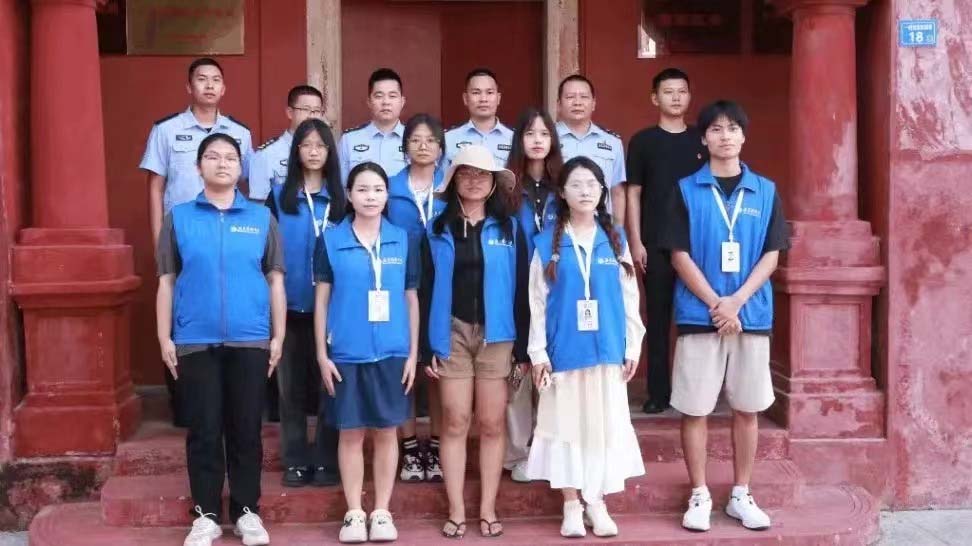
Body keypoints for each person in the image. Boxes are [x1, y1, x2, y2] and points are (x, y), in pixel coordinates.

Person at [658, 100, 789, 532]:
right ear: (704, 138)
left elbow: (772, 254)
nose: (725, 135)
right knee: (695, 409)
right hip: (700, 315)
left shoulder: (765, 191)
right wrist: (718, 303)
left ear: (744, 136)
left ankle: (740, 493)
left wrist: (736, 303)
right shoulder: (684, 190)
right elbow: (678, 254)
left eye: (733, 128)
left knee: (747, 408)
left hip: (750, 315)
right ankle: (699, 494)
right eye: (716, 129)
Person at [155, 133, 283, 546]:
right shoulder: (179, 217)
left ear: (241, 167)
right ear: (198, 167)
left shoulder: (262, 218)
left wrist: (278, 335)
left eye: (230, 157)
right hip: (195, 339)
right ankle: (206, 514)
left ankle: (247, 511)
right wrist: (164, 336)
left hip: (250, 339)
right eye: (213, 157)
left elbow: (275, 280)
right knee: (204, 429)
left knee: (246, 428)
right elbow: (166, 280)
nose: (222, 163)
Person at [526, 156, 646, 538]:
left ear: (602, 191)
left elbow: (630, 297)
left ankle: (596, 500)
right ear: (562, 193)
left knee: (601, 427)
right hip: (564, 351)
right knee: (567, 428)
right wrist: (538, 354)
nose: (585, 191)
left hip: (607, 348)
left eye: (592, 184)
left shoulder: (616, 239)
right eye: (576, 184)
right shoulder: (546, 243)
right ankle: (571, 504)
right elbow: (537, 303)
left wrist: (632, 346)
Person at [141, 57, 253, 427]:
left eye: (215, 80)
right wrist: (159, 238)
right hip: (181, 235)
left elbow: (248, 186)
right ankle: (184, 403)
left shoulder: (239, 133)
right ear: (189, 87)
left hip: (226, 236)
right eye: (201, 79)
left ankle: (227, 403)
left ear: (224, 88)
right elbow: (156, 187)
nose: (209, 85)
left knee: (225, 306)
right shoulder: (167, 130)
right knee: (178, 313)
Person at [426, 145, 529, 538]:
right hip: (451, 331)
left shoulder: (510, 229)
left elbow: (522, 288)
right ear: (453, 180)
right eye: (466, 173)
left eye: (482, 174)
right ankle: (456, 509)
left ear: (493, 184)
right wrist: (426, 345)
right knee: (455, 420)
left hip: (497, 333)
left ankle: (487, 507)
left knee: (491, 422)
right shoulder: (436, 229)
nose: (474, 180)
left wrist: (522, 346)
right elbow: (424, 288)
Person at [314, 162, 419, 543]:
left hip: (392, 352)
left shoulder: (403, 239)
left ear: (387, 195)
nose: (370, 196)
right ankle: (354, 513)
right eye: (362, 189)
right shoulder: (330, 240)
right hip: (346, 353)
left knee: (387, 431)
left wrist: (413, 353)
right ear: (349, 194)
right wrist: (322, 354)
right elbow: (322, 301)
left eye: (377, 189)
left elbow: (411, 298)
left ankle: (382, 511)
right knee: (351, 433)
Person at [265, 118, 346, 488]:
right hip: (291, 307)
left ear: (330, 152)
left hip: (334, 310)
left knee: (331, 386)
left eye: (320, 145)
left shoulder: (343, 201)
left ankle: (327, 459)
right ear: (295, 151)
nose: (313, 152)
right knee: (290, 389)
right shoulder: (279, 199)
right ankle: (296, 459)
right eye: (306, 145)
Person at [626, 68, 709, 415]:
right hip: (655, 242)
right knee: (658, 319)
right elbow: (633, 194)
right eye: (668, 91)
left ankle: (700, 392)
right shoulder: (643, 142)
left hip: (697, 244)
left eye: (682, 91)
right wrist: (635, 241)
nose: (676, 97)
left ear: (689, 96)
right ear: (654, 98)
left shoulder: (702, 139)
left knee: (699, 318)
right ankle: (659, 392)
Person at [502, 107, 564, 483]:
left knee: (552, 373)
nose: (537, 140)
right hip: (514, 291)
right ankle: (517, 453)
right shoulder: (507, 188)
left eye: (544, 134)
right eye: (529, 134)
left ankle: (549, 451)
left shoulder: (566, 185)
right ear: (519, 141)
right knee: (519, 372)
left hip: (556, 294)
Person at [385, 114, 448, 482]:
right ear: (405, 146)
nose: (423, 146)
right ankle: (409, 448)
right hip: (398, 286)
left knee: (438, 368)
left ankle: (437, 446)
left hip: (444, 287)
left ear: (441, 147)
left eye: (430, 140)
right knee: (403, 368)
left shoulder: (453, 184)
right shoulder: (389, 187)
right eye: (415, 139)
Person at [555, 74, 626, 221]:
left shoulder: (612, 142)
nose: (577, 102)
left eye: (584, 97)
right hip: (557, 224)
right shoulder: (547, 139)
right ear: (559, 104)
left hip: (601, 225)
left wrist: (618, 229)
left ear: (593, 104)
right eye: (570, 97)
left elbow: (617, 191)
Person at [249, 85, 326, 201]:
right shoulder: (265, 155)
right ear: (290, 112)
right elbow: (260, 205)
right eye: (305, 109)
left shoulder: (326, 151)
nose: (311, 116)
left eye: (316, 111)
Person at [339, 68, 408, 182]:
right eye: (379, 96)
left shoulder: (414, 139)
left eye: (392, 96)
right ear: (369, 102)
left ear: (402, 101)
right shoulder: (349, 140)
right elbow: (341, 185)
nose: (386, 102)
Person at [443, 68, 514, 170]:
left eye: (489, 92)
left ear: (498, 98)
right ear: (465, 98)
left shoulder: (514, 138)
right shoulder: (448, 139)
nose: (483, 99)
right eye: (476, 93)